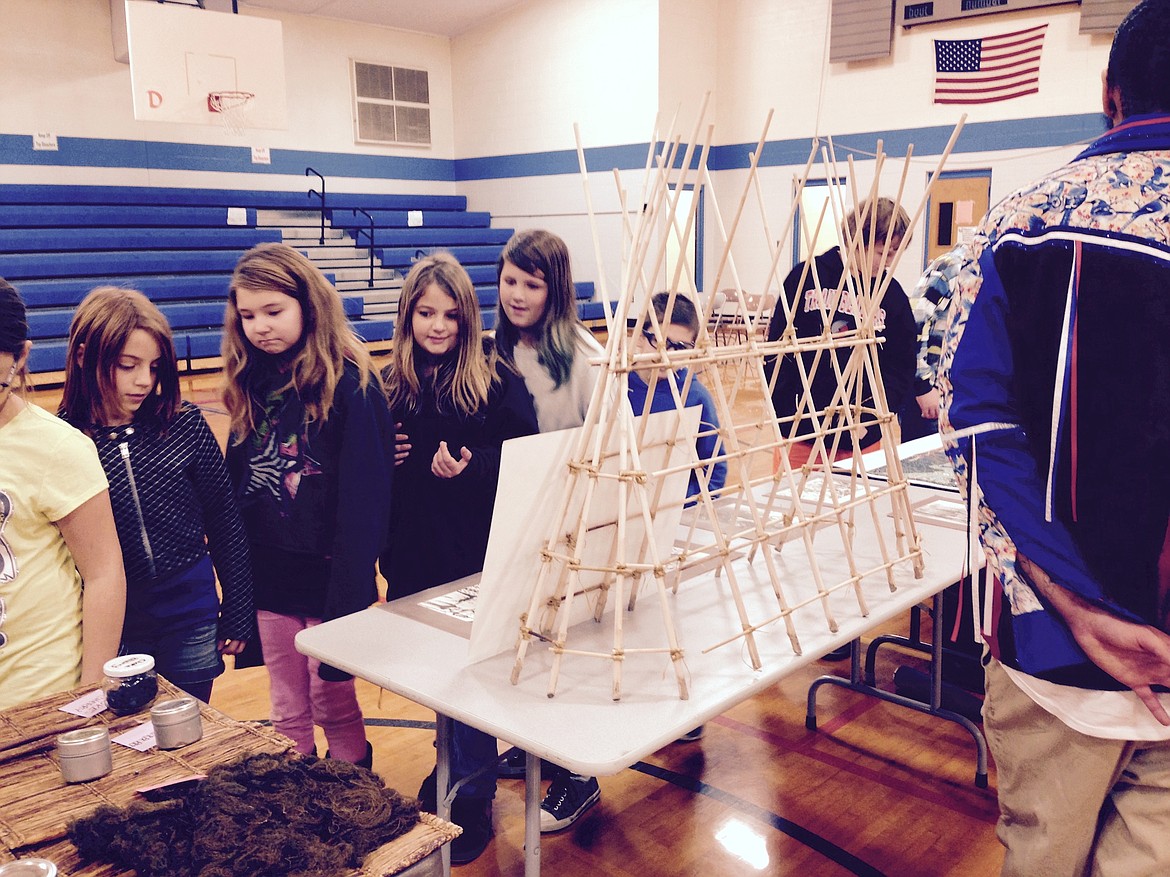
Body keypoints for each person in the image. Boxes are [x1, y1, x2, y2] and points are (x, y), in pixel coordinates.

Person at [938, 3, 1170, 873]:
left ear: (1109, 94)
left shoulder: (1017, 225)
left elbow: (982, 423)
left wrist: (1081, 608)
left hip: (1050, 649)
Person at [381, 253, 538, 864]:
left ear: (468, 319)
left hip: (474, 555)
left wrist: (477, 465)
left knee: (470, 673)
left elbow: (527, 456)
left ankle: (471, 788)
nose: (437, 326)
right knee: (436, 673)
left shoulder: (498, 380)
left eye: (449, 314)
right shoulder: (394, 382)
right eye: (425, 313)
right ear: (408, 317)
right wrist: (385, 455)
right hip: (414, 554)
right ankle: (453, 765)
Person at [222, 242, 394, 768]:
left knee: (331, 698)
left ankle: (350, 787)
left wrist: (348, 595)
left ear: (308, 305)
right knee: (285, 702)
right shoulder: (250, 382)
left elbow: (365, 506)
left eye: (274, 311)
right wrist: (238, 589)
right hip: (272, 579)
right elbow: (239, 492)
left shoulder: (352, 385)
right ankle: (293, 794)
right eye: (248, 315)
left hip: (329, 581)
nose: (260, 326)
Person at [58, 287, 254, 704]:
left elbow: (224, 519)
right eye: (127, 366)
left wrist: (237, 604)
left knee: (188, 728)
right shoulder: (62, 440)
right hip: (115, 624)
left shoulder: (184, 425)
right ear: (82, 356)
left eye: (153, 366)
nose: (144, 380)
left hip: (191, 611)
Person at [492, 229, 606, 833]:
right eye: (510, 280)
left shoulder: (584, 356)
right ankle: (535, 747)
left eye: (531, 284)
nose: (516, 294)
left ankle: (579, 777)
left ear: (554, 288)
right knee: (524, 644)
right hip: (514, 525)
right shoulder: (496, 349)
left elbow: (606, 444)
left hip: (569, 529)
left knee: (567, 649)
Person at [0, 278, 125, 710]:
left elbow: (104, 572)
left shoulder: (57, 447)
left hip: (38, 695)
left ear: (21, 360)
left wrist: (91, 693)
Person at [765, 197, 916, 466]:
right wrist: (787, 412)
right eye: (883, 254)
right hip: (801, 435)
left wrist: (871, 420)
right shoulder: (806, 278)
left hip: (861, 438)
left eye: (896, 255)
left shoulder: (891, 296)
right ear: (856, 240)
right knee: (796, 506)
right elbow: (777, 351)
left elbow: (900, 368)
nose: (889, 264)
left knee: (857, 506)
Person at [627, 292, 726, 506]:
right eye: (659, 342)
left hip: (677, 512)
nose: (667, 355)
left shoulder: (696, 397)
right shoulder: (616, 390)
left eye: (680, 347)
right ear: (642, 337)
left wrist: (680, 503)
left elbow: (714, 471)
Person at [897, 245, 966, 442]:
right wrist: (923, 386)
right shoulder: (952, 267)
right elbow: (915, 322)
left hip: (955, 394)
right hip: (930, 391)